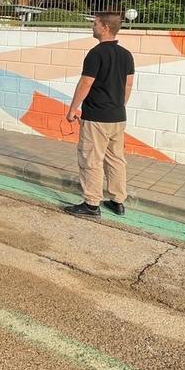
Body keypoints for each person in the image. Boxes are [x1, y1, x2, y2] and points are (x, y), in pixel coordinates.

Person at [64, 12, 136, 218]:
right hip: (117, 116)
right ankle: (117, 201)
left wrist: (72, 109)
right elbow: (128, 84)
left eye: (95, 24)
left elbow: (86, 82)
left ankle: (91, 204)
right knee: (115, 159)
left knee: (91, 159)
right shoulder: (126, 54)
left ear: (105, 27)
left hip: (97, 116)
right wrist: (119, 105)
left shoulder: (96, 54)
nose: (92, 27)